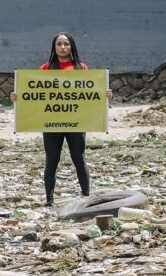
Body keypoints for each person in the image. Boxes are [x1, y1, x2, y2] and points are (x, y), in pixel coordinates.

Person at [10, 32, 113, 206]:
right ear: (54, 47)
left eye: (66, 44)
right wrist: (17, 97)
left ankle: (86, 197)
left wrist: (105, 94)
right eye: (59, 44)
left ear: (71, 46)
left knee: (79, 158)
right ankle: (49, 201)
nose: (63, 47)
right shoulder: (46, 69)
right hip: (51, 122)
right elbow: (36, 94)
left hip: (76, 122)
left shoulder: (81, 68)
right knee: (52, 160)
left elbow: (91, 93)